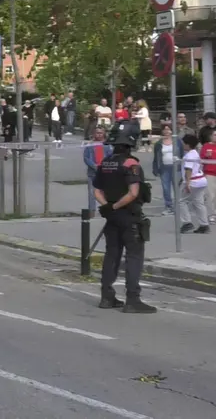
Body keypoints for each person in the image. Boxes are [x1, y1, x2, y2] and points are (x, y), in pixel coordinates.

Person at [92, 120, 156, 313]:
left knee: (112, 255)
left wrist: (107, 207)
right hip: (129, 216)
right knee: (134, 256)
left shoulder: (106, 162)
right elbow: (133, 192)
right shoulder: (131, 163)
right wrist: (116, 206)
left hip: (112, 218)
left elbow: (96, 189)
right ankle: (132, 300)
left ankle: (106, 296)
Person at [151, 124, 179, 215]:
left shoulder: (177, 141)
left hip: (176, 167)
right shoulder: (159, 143)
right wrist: (155, 169)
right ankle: (169, 206)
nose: (167, 131)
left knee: (177, 188)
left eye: (169, 129)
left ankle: (178, 206)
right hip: (164, 168)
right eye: (165, 129)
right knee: (166, 188)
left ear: (172, 131)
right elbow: (156, 157)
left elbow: (182, 154)